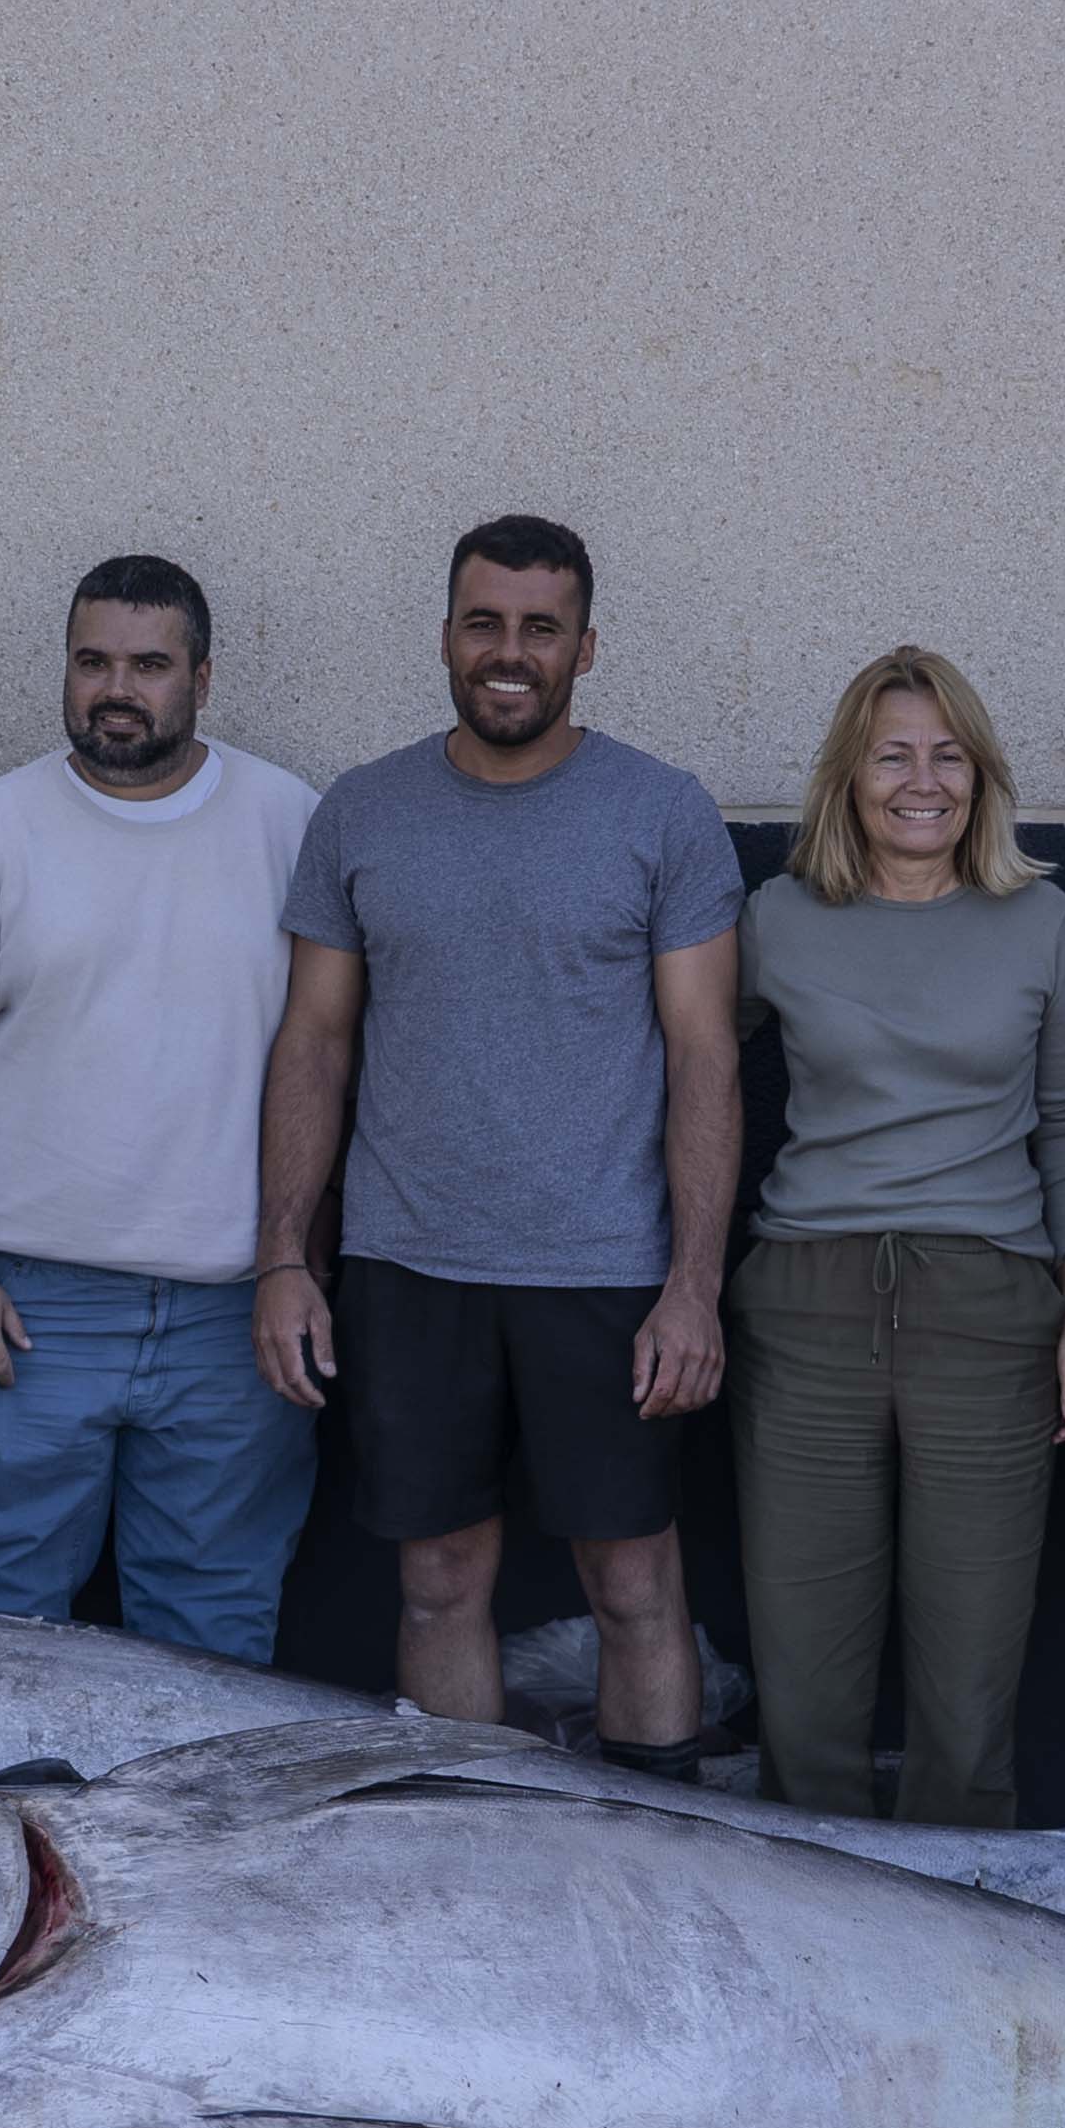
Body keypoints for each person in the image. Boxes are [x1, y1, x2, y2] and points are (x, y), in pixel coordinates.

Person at [259, 516, 742, 1762]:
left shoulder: (661, 811)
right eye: (484, 624)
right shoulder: (363, 811)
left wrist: (693, 1283)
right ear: (444, 637)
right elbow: (314, 1041)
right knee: (436, 1584)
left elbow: (704, 1055)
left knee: (633, 1586)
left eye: (541, 628)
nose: (510, 652)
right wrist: (284, 1259)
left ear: (587, 647)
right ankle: (465, 1842)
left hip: (606, 1267)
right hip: (410, 1262)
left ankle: (652, 1846)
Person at [0, 555, 322, 1663]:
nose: (117, 689)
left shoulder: (290, 823)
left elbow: (336, 1057)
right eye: (92, 662)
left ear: (201, 679)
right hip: (23, 1308)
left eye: (149, 665)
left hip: (232, 1317)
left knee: (215, 1644)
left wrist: (300, 1263)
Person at [730, 646, 1065, 1823]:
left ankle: (957, 1923)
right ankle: (807, 1925)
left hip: (988, 1313)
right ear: (846, 776)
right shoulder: (777, 919)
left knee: (969, 1689)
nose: (922, 781)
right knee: (804, 1688)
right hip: (806, 1307)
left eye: (947, 756)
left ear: (981, 775)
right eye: (892, 756)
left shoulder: (1040, 921)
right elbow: (689, 1077)